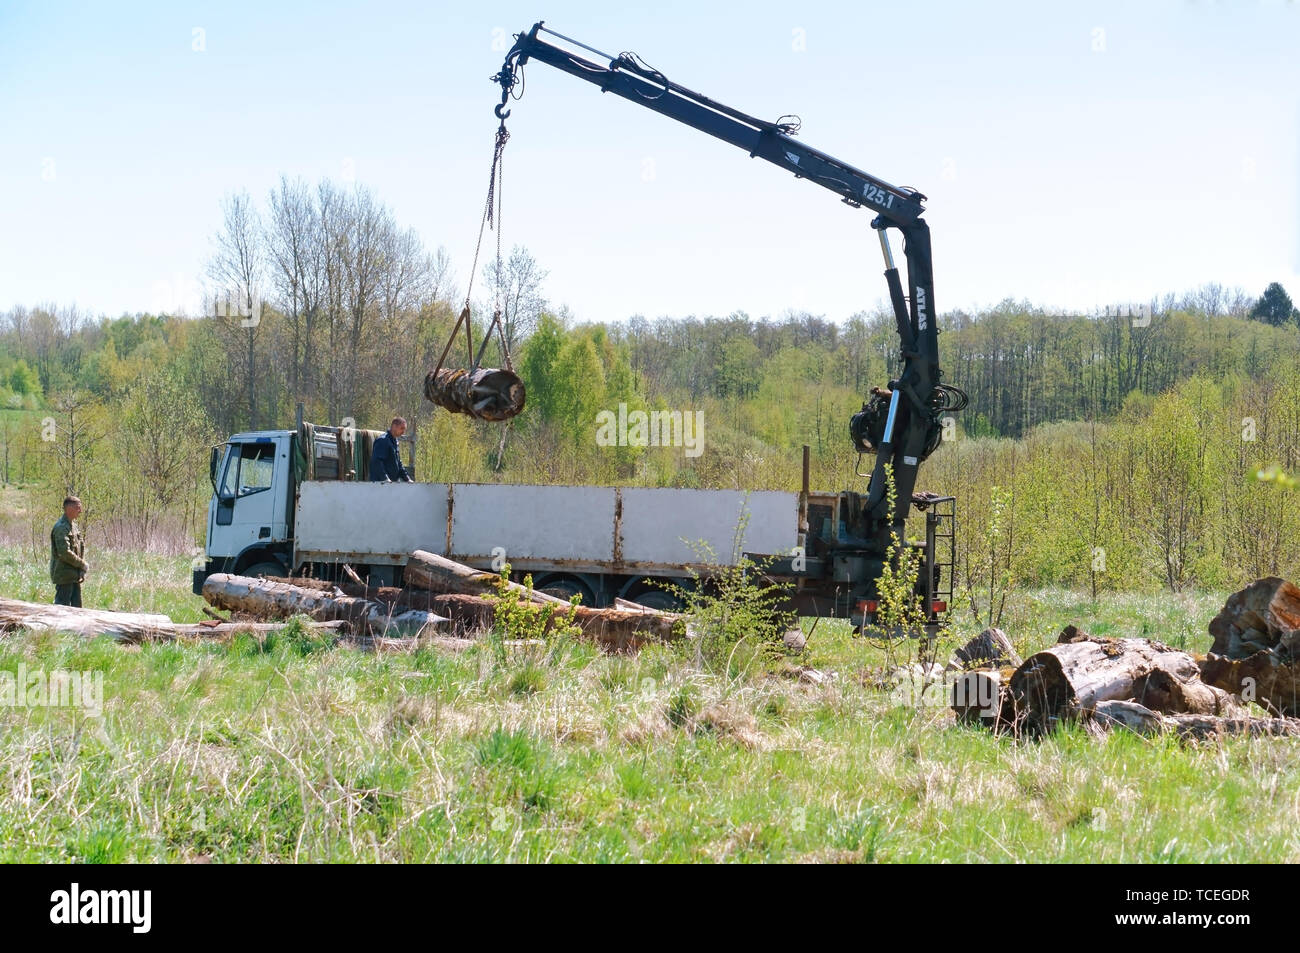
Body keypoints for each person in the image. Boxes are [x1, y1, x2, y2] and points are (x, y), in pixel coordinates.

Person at [50, 495, 88, 607]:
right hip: (64, 576)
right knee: (62, 610)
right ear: (69, 509)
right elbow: (64, 553)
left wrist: (81, 569)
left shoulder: (74, 526)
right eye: (78, 508)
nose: (80, 511)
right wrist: (82, 564)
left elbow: (80, 547)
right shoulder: (61, 527)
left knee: (77, 610)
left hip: (74, 575)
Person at [370, 416, 413, 483]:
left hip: (391, 484)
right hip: (380, 484)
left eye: (404, 429)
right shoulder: (383, 440)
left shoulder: (395, 442)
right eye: (402, 428)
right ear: (394, 426)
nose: (403, 432)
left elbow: (398, 463)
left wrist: (407, 479)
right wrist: (384, 478)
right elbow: (377, 461)